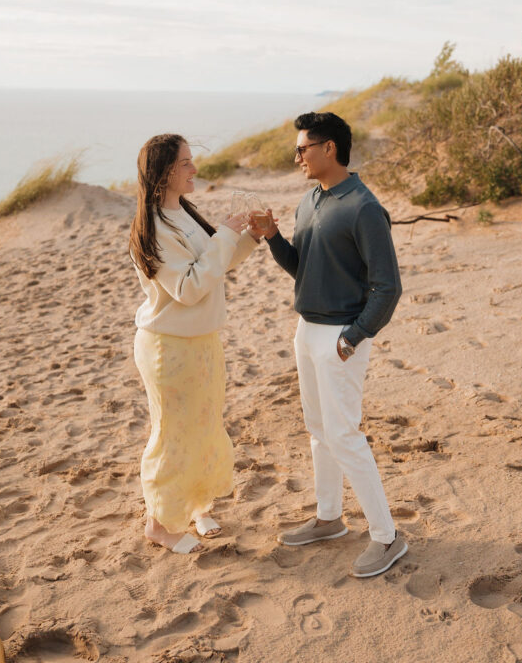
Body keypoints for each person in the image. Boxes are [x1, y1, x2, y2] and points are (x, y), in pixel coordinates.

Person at [259, 111, 407, 578]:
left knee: (344, 436)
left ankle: (387, 537)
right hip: (306, 330)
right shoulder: (310, 200)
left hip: (341, 336)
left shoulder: (364, 207)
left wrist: (354, 336)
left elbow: (389, 287)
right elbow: (302, 268)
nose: (296, 155)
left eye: (303, 148)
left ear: (330, 149)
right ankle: (329, 518)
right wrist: (272, 238)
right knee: (319, 431)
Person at [129, 133, 261, 554]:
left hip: (201, 341)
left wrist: (250, 237)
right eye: (186, 163)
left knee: (204, 426)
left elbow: (213, 266)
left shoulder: (182, 213)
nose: (194, 169)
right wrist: (224, 233)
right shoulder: (154, 226)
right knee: (172, 434)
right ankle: (160, 523)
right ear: (165, 171)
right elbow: (189, 288)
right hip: (170, 347)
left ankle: (196, 506)